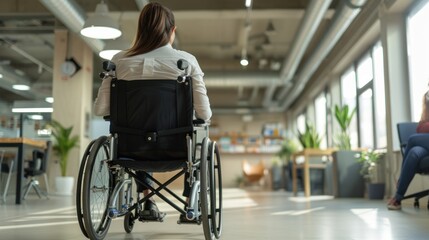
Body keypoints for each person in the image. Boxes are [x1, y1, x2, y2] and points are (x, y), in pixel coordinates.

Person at [94, 2, 212, 220]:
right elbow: (205, 114)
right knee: (196, 138)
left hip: (131, 149)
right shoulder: (186, 62)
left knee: (139, 132)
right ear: (172, 32)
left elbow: (99, 109)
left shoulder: (119, 62)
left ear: (141, 30)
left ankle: (148, 198)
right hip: (176, 148)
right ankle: (189, 204)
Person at [387, 91, 429, 210]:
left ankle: (399, 187)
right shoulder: (427, 97)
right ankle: (398, 198)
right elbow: (421, 127)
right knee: (413, 152)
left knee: (412, 139)